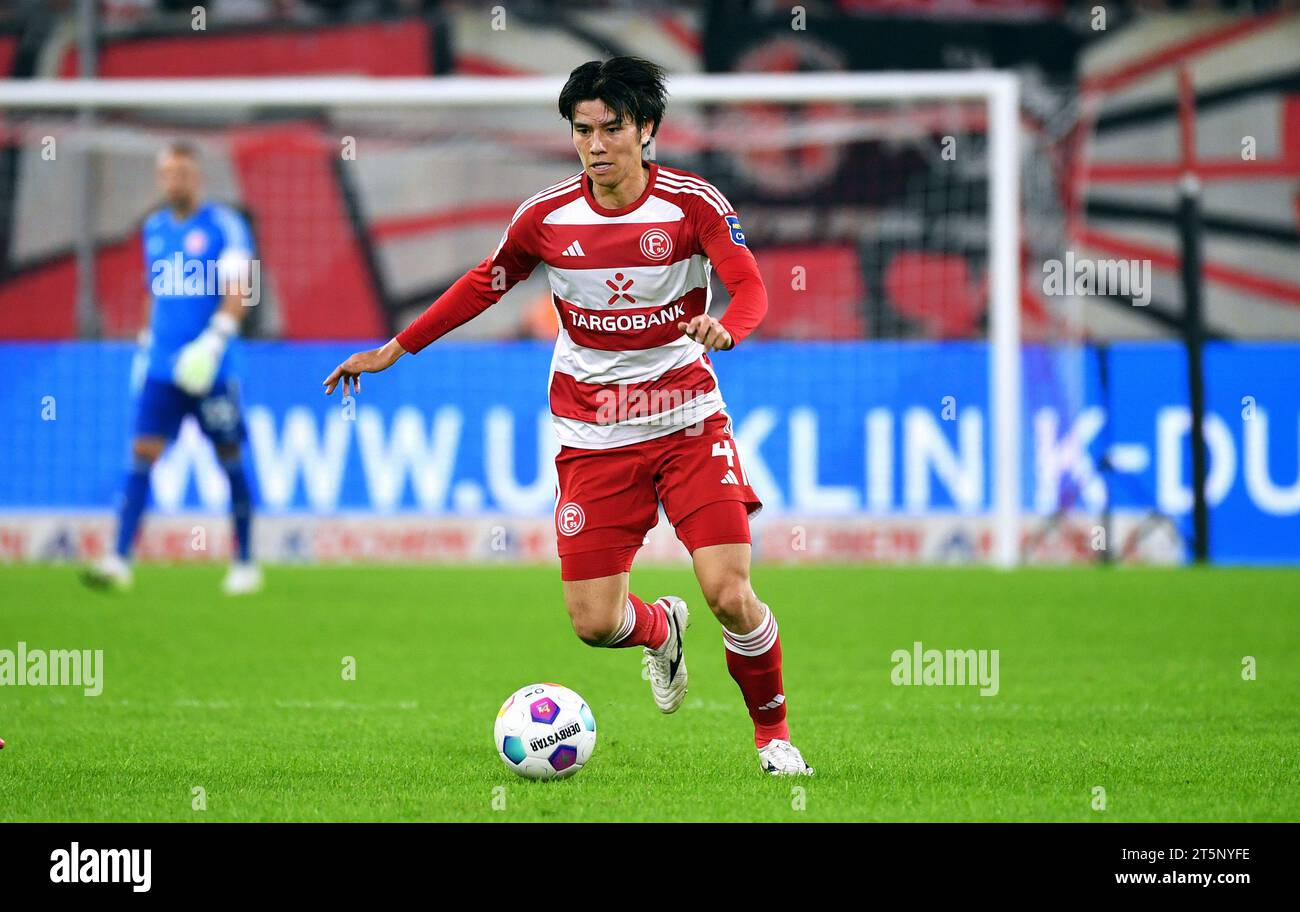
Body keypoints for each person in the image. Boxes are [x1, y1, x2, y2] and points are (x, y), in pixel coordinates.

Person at [324, 57, 811, 775]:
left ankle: (775, 742)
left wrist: (730, 328)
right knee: (593, 623)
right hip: (593, 434)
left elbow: (749, 286)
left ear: (646, 129)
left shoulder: (693, 204)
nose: (595, 144)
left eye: (611, 128)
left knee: (730, 593)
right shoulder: (546, 217)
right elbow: (481, 285)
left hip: (686, 423)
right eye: (583, 130)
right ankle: (659, 630)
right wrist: (396, 348)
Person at [82, 142, 261, 596]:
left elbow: (244, 291)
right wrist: (144, 345)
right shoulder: (154, 229)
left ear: (196, 176)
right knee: (141, 453)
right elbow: (154, 292)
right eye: (167, 173)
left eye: (182, 172)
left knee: (230, 458)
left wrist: (214, 341)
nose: (174, 180)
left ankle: (244, 561)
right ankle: (118, 559)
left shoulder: (226, 225)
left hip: (211, 370)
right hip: (162, 369)